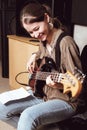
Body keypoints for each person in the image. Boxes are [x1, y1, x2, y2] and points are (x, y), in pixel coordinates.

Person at [0, 2, 86, 130]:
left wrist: (59, 85)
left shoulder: (66, 43)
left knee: (27, 116)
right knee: (1, 107)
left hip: (66, 101)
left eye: (36, 29)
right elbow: (42, 54)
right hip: (45, 94)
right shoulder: (43, 40)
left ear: (46, 18)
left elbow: (79, 87)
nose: (35, 35)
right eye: (30, 32)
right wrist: (34, 55)